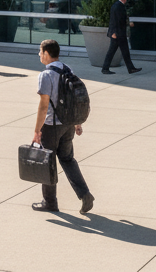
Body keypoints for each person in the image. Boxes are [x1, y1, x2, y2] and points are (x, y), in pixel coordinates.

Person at [31, 39, 95, 213]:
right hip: (68, 124)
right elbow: (73, 100)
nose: (39, 55)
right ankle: (85, 194)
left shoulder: (46, 75)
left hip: (51, 126)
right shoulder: (68, 70)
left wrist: (37, 130)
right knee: (67, 159)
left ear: (46, 53)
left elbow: (44, 105)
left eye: (40, 51)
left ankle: (50, 203)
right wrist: (77, 123)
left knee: (48, 163)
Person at [101, 0, 141, 75]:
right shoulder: (118, 6)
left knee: (119, 51)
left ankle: (106, 68)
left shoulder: (117, 6)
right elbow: (116, 20)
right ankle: (129, 68)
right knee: (120, 51)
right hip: (118, 33)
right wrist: (114, 32)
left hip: (119, 33)